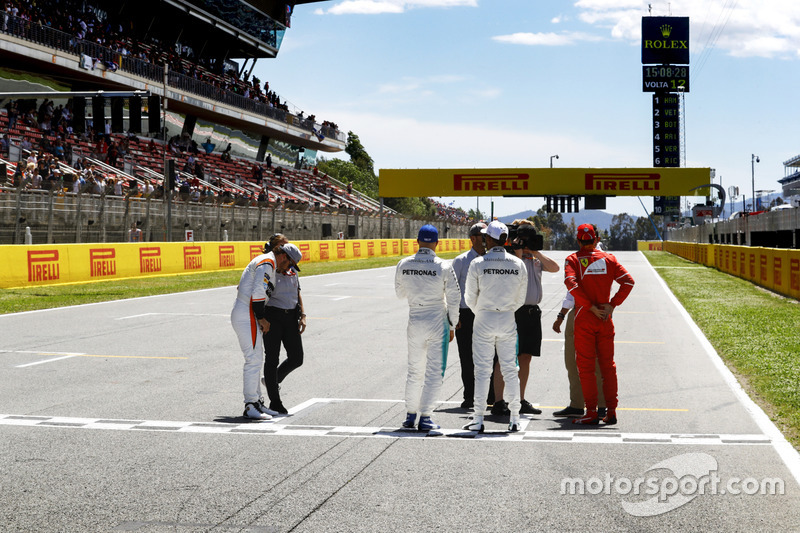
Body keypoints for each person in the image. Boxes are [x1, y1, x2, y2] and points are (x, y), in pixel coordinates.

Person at [564, 223, 635, 425]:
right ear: (596, 239)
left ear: (578, 240)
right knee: (608, 367)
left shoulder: (572, 260)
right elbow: (629, 282)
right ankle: (611, 411)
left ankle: (591, 412)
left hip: (585, 317)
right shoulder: (610, 259)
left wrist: (588, 306)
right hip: (605, 318)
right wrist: (612, 305)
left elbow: (571, 284)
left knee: (585, 367)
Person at [462, 220, 528, 433]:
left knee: (482, 371)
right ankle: (515, 417)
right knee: (510, 369)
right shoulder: (518, 264)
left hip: (484, 318)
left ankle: (479, 418)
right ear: (506, 240)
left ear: (487, 239)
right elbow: (521, 299)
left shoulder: (477, 263)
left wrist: (482, 311)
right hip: (508, 317)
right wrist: (506, 309)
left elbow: (469, 298)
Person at [490, 220, 559, 417]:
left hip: (531, 312)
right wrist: (519, 252)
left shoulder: (536, 259)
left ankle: (519, 399)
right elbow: (515, 274)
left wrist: (535, 252)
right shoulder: (509, 257)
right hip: (512, 312)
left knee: (526, 357)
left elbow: (555, 268)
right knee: (504, 358)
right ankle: (499, 401)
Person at [395, 224, 460, 431]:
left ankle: (410, 415)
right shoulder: (443, 265)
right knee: (434, 372)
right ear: (437, 244)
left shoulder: (403, 263)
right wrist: (453, 324)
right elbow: (454, 297)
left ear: (417, 241)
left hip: (414, 318)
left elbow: (399, 294)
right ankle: (426, 416)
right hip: (436, 320)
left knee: (414, 370)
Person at [231, 241, 302, 420]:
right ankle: (250, 404)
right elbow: (258, 292)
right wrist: (262, 317)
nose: (288, 267)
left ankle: (258, 401)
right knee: (253, 360)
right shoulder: (268, 263)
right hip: (247, 312)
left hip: (249, 312)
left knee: (257, 357)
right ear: (283, 256)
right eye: (289, 263)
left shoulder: (268, 263)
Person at [262, 234, 307, 415]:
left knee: (297, 358)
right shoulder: (269, 270)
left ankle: (272, 380)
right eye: (289, 263)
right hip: (273, 317)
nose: (290, 267)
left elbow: (297, 292)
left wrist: (302, 314)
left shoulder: (292, 271)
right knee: (272, 359)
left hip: (291, 317)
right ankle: (275, 401)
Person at [551, 292, 606, 418]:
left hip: (595, 312)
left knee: (596, 363)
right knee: (571, 362)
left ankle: (602, 405)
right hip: (577, 312)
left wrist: (611, 305)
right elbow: (571, 295)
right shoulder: (574, 272)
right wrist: (561, 316)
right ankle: (577, 404)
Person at [451, 222, 486, 409]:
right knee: (467, 357)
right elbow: (452, 289)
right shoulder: (461, 261)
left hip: (487, 314)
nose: (487, 239)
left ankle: (491, 396)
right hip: (465, 314)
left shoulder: (492, 259)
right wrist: (453, 316)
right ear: (473, 239)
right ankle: (469, 396)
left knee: (490, 357)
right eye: (483, 236)